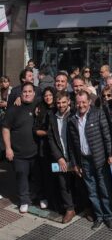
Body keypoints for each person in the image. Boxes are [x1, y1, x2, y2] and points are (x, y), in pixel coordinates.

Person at [68, 91, 112, 230]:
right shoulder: (72, 119)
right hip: (84, 160)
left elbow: (107, 136)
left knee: (104, 189)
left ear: (89, 101)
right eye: (78, 103)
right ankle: (99, 217)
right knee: (92, 191)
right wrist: (75, 163)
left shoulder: (98, 113)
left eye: (84, 102)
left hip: (100, 159)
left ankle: (109, 217)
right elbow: (71, 145)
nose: (81, 105)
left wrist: (110, 154)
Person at [2, 83, 39, 213]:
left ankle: (35, 196)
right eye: (25, 92)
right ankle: (24, 200)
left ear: (34, 93)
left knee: (35, 176)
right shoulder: (13, 109)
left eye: (30, 91)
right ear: (21, 93)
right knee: (21, 175)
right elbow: (6, 129)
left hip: (35, 152)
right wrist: (8, 148)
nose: (27, 94)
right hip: (18, 152)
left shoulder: (38, 105)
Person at [47, 91, 78, 223]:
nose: (61, 105)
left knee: (80, 183)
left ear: (69, 102)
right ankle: (69, 209)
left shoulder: (75, 114)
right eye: (58, 103)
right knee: (63, 183)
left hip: (75, 156)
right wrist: (59, 157)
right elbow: (51, 138)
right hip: (61, 157)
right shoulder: (52, 116)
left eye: (64, 102)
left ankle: (86, 207)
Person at [33, 86, 56, 210]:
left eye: (50, 95)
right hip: (44, 147)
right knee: (46, 175)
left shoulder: (58, 107)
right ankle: (47, 198)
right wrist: (49, 133)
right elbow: (36, 130)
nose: (48, 97)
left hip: (57, 148)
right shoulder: (40, 108)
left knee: (57, 175)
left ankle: (57, 200)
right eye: (46, 95)